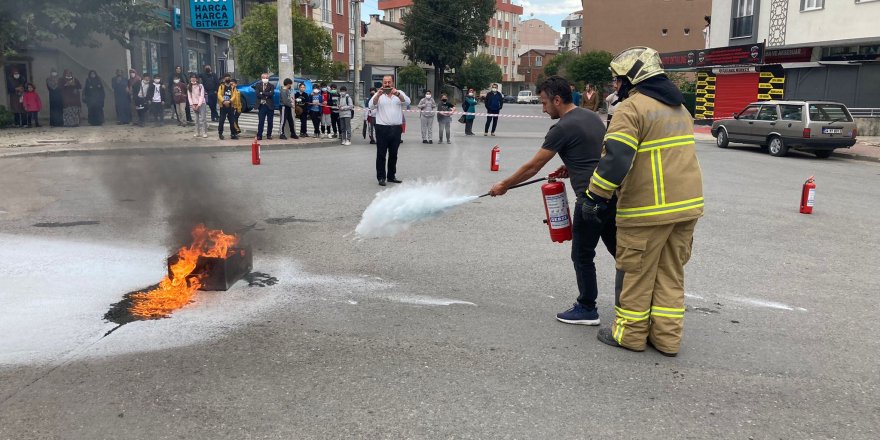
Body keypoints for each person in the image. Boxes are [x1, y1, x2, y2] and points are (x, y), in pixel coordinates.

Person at [589, 47, 703, 357]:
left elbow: (616, 159)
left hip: (647, 210)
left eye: (617, 80)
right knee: (670, 273)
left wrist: (595, 196)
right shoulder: (680, 110)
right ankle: (667, 339)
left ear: (632, 78)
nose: (615, 86)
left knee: (636, 274)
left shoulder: (632, 109)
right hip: (686, 209)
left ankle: (630, 335)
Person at [487, 75, 614, 327]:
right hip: (611, 193)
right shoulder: (591, 117)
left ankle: (587, 308)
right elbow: (596, 150)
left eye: (545, 102)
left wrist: (504, 185)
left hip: (589, 198)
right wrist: (570, 165)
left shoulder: (562, 127)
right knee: (620, 252)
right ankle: (639, 303)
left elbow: (533, 166)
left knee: (582, 254)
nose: (543, 108)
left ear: (557, 100)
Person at [369, 75, 410, 186]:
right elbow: (371, 106)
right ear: (382, 83)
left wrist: (397, 94)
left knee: (393, 154)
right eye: (385, 82)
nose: (387, 84)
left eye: (389, 82)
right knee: (381, 154)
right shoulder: (379, 94)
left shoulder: (399, 92)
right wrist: (378, 95)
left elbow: (407, 102)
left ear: (393, 83)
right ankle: (381, 177)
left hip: (396, 128)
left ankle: (391, 176)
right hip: (382, 128)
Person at [255, 73, 274, 140]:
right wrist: (266, 94)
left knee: (270, 121)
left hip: (269, 106)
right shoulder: (258, 85)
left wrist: (262, 93)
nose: (265, 79)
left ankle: (269, 135)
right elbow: (257, 94)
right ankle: (259, 135)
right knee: (261, 121)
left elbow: (271, 94)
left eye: (266, 78)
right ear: (261, 78)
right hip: (262, 105)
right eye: (264, 78)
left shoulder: (271, 85)